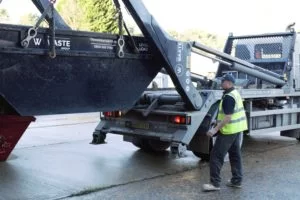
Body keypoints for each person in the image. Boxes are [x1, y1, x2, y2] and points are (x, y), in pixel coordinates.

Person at [202, 73, 248, 191]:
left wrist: (214, 129)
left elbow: (228, 117)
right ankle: (237, 180)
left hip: (229, 131)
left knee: (216, 156)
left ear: (228, 83)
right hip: (237, 129)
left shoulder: (228, 97)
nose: (221, 83)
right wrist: (217, 122)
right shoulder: (234, 93)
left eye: (223, 81)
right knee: (235, 155)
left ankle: (215, 184)